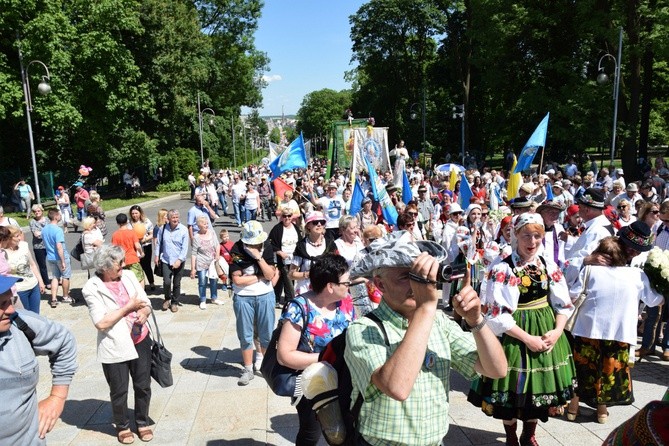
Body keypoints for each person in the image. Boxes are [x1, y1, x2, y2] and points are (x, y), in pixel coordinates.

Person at [345, 231, 507, 446]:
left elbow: (496, 369)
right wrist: (426, 307)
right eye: (406, 277)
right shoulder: (363, 329)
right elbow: (397, 388)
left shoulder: (438, 322)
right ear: (381, 285)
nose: (417, 285)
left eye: (420, 275)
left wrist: (476, 321)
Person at [468, 213, 577, 446]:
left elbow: (563, 303)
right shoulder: (503, 267)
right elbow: (496, 315)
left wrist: (557, 331)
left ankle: (529, 435)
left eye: (537, 236)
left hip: (545, 329)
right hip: (514, 334)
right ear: (515, 235)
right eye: (526, 235)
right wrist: (527, 339)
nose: (532, 241)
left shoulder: (547, 263)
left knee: (538, 389)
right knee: (509, 388)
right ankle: (510, 437)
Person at [567, 225, 663, 424]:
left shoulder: (592, 269)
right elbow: (654, 300)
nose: (634, 252)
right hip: (618, 332)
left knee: (583, 368)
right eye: (631, 248)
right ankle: (601, 411)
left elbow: (572, 293)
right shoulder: (637, 276)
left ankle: (573, 407)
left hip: (588, 328)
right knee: (607, 370)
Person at [276, 254, 355, 445]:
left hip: (344, 379)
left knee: (345, 430)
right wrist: (325, 357)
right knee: (312, 431)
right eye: (346, 282)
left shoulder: (346, 302)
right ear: (330, 286)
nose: (349, 285)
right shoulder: (299, 308)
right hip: (313, 384)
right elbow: (284, 355)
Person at [82, 245, 154, 444]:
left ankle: (142, 421)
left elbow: (146, 302)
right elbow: (101, 323)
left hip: (140, 339)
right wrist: (129, 307)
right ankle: (122, 426)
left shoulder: (129, 276)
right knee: (119, 389)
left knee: (143, 385)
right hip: (115, 344)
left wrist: (143, 313)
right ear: (105, 267)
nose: (124, 266)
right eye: (119, 264)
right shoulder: (92, 287)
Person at [0, 276, 77, 444]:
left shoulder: (21, 324)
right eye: (1, 304)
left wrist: (57, 397)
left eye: (10, 300)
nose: (11, 310)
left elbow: (64, 341)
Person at [229, 221, 278, 385]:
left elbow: (270, 274)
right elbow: (237, 280)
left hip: (265, 295)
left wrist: (258, 257)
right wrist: (259, 277)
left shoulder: (267, 247)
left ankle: (267, 367)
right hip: (243, 297)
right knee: (245, 334)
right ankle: (248, 369)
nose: (253, 245)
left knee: (267, 335)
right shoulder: (237, 248)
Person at [0, 226, 45, 313]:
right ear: (9, 238)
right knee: (25, 316)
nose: (20, 238)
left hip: (33, 285)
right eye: (17, 236)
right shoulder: (3, 253)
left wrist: (40, 281)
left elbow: (32, 265)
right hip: (20, 290)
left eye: (19, 235)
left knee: (36, 315)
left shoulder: (24, 246)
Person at [289, 211, 334, 296]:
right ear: (308, 226)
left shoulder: (330, 244)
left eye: (322, 222)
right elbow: (291, 274)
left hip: (326, 291)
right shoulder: (301, 246)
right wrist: (308, 274)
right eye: (315, 222)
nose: (319, 224)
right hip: (305, 291)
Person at [155, 209, 189, 313]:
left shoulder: (183, 230)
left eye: (176, 217)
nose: (175, 219)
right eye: (173, 217)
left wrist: (179, 260)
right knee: (167, 281)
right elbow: (158, 243)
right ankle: (167, 298)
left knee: (176, 283)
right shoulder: (163, 228)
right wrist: (156, 255)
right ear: (168, 218)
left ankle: (174, 302)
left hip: (179, 260)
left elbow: (185, 247)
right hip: (165, 259)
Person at [269, 206, 301, 307]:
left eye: (289, 216)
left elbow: (300, 242)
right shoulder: (277, 229)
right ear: (282, 217)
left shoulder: (295, 228)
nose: (287, 218)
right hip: (282, 259)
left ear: (292, 217)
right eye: (285, 216)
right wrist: (279, 252)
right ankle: (277, 299)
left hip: (293, 259)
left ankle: (288, 300)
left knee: (290, 279)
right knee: (282, 280)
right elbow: (271, 243)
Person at [190, 215, 223, 309]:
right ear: (199, 225)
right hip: (201, 262)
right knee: (202, 282)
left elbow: (217, 245)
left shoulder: (212, 233)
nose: (206, 225)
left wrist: (217, 255)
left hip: (212, 261)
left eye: (207, 223)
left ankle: (214, 298)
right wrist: (193, 269)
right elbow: (193, 254)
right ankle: (202, 299)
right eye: (204, 224)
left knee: (214, 280)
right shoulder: (196, 237)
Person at [42, 209, 73, 307]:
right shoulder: (58, 230)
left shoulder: (44, 229)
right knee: (65, 276)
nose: (60, 216)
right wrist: (63, 260)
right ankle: (65, 297)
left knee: (55, 277)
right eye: (59, 215)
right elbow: (59, 246)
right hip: (60, 257)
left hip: (50, 257)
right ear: (55, 217)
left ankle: (54, 299)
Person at [111, 213, 145, 287]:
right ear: (127, 221)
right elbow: (137, 245)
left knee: (126, 280)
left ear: (117, 223)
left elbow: (114, 249)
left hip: (122, 261)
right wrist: (141, 253)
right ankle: (141, 294)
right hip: (133, 259)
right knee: (139, 278)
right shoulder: (132, 232)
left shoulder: (115, 234)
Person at [129, 205, 155, 291]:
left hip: (146, 245)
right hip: (134, 247)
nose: (134, 215)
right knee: (137, 266)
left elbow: (152, 234)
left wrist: (145, 239)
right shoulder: (129, 223)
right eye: (132, 213)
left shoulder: (146, 222)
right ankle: (141, 284)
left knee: (146, 265)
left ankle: (151, 283)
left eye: (136, 213)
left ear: (140, 213)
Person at [29, 204, 51, 288]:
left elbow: (51, 232)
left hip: (49, 245)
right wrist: (45, 232)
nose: (37, 213)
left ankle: (57, 279)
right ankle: (46, 282)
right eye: (35, 211)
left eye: (38, 211)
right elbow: (36, 235)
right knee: (42, 265)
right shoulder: (32, 222)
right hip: (38, 247)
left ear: (42, 211)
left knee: (55, 262)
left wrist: (41, 232)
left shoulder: (48, 220)